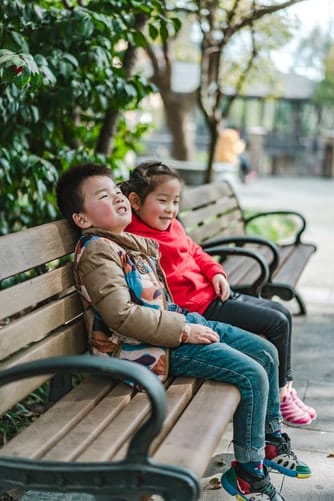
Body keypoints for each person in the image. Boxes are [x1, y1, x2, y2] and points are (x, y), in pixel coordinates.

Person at [56, 163, 311, 501]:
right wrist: (185, 330)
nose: (117, 198)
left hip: (173, 327)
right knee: (251, 373)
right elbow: (122, 316)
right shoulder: (98, 251)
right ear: (83, 220)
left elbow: (169, 283)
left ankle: (270, 440)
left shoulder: (125, 241)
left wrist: (190, 321)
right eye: (104, 196)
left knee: (265, 351)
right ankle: (249, 473)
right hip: (145, 349)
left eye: (116, 191)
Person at [122, 161, 317, 426]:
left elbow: (195, 250)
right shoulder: (135, 237)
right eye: (163, 201)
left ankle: (286, 387)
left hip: (214, 293)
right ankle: (282, 395)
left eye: (175, 201)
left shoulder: (172, 226)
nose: (171, 210)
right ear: (135, 201)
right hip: (199, 308)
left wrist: (215, 272)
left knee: (283, 312)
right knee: (277, 322)